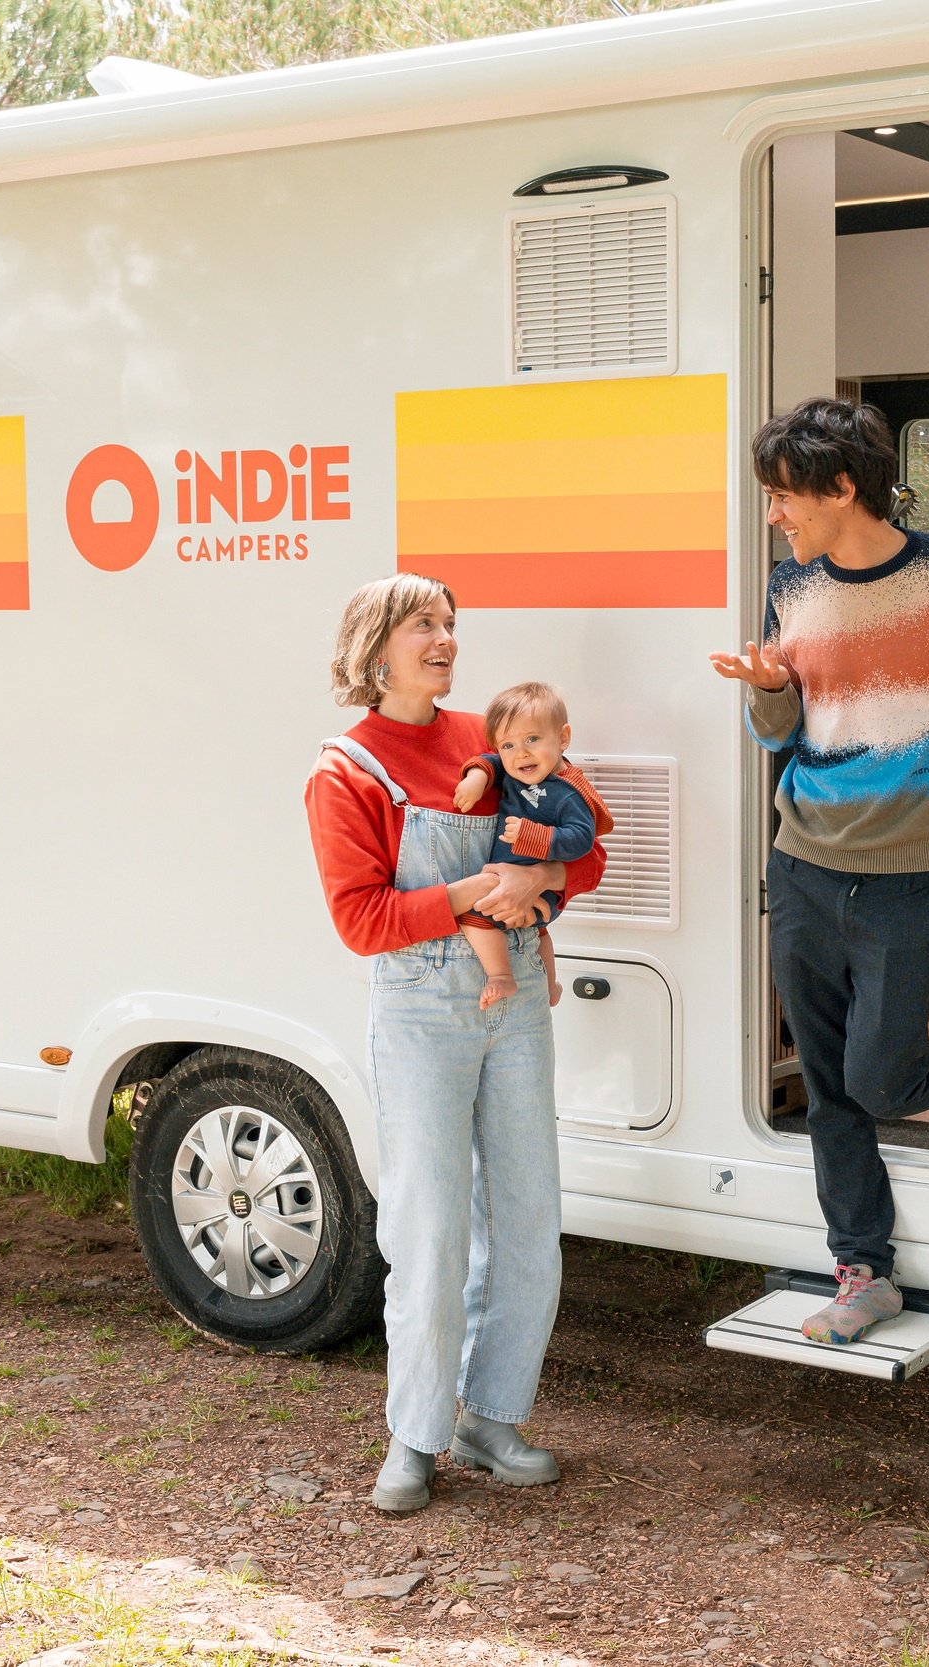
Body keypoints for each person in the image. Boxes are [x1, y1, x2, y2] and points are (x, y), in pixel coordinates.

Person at [305, 573, 606, 1513]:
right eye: (423, 625)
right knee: (429, 1228)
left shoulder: (493, 733)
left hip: (514, 1001)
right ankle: (415, 1434)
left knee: (527, 1218)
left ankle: (491, 1415)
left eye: (449, 623)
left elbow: (590, 845)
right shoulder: (347, 770)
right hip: (422, 1007)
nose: (445, 640)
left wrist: (543, 884)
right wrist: (477, 892)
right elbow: (361, 919)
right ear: (374, 647)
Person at [709, 397, 929, 1347]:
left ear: (840, 486)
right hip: (802, 867)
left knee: (879, 1080)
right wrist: (769, 692)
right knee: (829, 1085)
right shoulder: (790, 587)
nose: (774, 515)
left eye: (783, 495)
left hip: (906, 879)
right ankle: (863, 1269)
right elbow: (778, 733)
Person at [452, 681, 607, 1010]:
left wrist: (534, 837)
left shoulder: (568, 793)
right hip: (523, 886)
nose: (520, 753)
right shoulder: (516, 772)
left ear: (563, 738)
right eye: (508, 745)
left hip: (541, 893)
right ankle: (550, 987)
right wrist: (478, 777)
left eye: (532, 739)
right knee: (539, 934)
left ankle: (499, 975)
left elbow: (582, 839)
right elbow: (493, 762)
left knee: (473, 917)